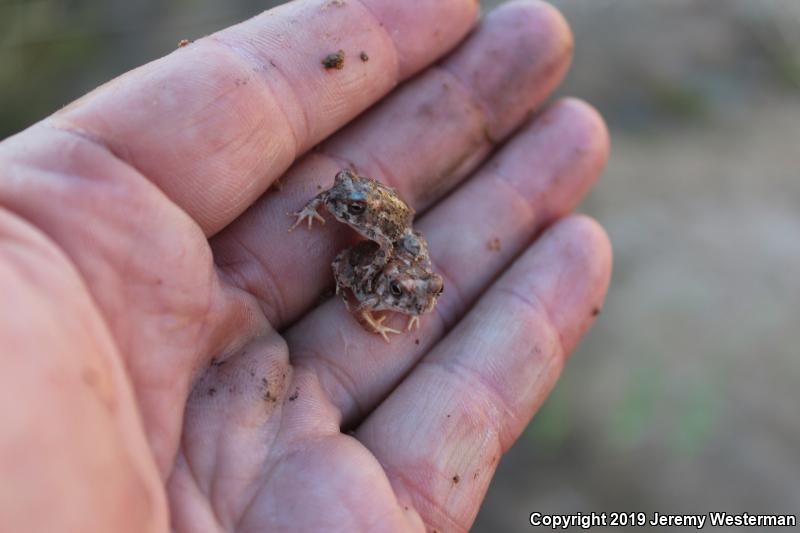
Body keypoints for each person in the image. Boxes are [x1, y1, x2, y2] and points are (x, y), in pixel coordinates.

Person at [0, 0, 611, 530]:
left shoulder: (383, 233)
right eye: (338, 200)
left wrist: (379, 252)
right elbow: (344, 196)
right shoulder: (347, 201)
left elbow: (383, 233)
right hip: (376, 231)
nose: (333, 203)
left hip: (391, 236)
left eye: (343, 203)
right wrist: (324, 212)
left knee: (378, 276)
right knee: (353, 268)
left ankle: (392, 291)